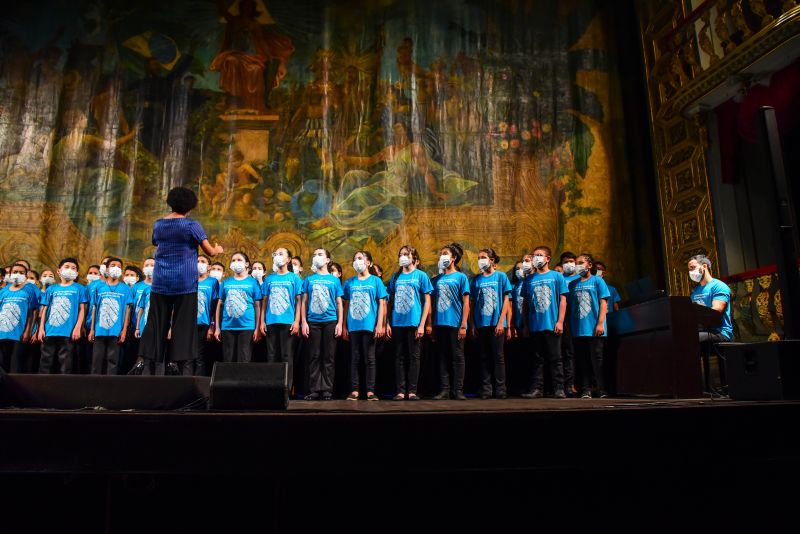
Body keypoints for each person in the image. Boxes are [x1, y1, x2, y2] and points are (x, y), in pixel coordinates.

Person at [142, 187, 223, 374]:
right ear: (190, 206)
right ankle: (177, 365)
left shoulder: (158, 224)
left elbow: (156, 242)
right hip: (184, 283)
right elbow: (209, 251)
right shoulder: (191, 225)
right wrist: (218, 249)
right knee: (183, 324)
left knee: (156, 322)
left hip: (161, 281)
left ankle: (150, 364)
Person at [387, 245, 432, 401]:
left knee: (414, 357)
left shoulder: (421, 275)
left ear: (414, 257)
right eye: (401, 254)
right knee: (399, 357)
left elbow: (427, 301)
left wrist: (422, 324)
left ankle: (412, 391)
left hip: (414, 322)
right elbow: (389, 301)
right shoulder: (395, 277)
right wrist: (387, 322)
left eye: (406, 254)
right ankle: (400, 391)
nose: (403, 257)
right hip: (397, 323)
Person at [523, 246, 568, 399]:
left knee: (555, 358)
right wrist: (526, 325)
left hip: (552, 324)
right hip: (535, 326)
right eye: (534, 255)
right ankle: (537, 389)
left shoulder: (557, 276)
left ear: (548, 258)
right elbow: (526, 304)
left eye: (540, 255)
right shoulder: (528, 279)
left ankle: (559, 389)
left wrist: (560, 321)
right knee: (537, 359)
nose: (536, 258)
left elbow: (563, 299)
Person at [342, 251, 387, 401]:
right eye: (355, 259)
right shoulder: (349, 282)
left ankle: (370, 391)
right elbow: (346, 304)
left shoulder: (376, 281)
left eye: (360, 258)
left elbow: (381, 303)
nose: (357, 261)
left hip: (370, 325)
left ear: (368, 263)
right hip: (353, 325)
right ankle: (354, 390)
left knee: (370, 358)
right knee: (354, 358)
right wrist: (344, 326)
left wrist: (380, 324)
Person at [300, 248, 343, 400]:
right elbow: (304, 302)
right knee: (314, 355)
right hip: (313, 322)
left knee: (328, 357)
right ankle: (314, 389)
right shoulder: (308, 279)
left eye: (320, 254)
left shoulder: (334, 280)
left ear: (327, 260)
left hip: (330, 321)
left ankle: (326, 390)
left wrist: (339, 323)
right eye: (314, 254)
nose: (316, 257)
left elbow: (339, 303)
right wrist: (304, 322)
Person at [469, 248, 512, 399]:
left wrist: (501, 322)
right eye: (479, 257)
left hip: (497, 323)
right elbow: (472, 303)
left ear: (492, 260)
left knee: (498, 356)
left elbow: (507, 299)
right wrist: (473, 324)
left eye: (483, 257)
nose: (481, 260)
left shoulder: (501, 277)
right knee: (484, 356)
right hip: (481, 323)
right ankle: (487, 389)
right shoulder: (476, 280)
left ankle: (501, 388)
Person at [259, 247, 303, 391]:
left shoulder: (295, 278)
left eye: (281, 254)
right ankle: (272, 386)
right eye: (275, 254)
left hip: (288, 322)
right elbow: (264, 302)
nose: (277, 256)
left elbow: (299, 301)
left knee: (286, 355)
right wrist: (262, 321)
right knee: (272, 355)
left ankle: (287, 387)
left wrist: (297, 321)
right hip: (271, 322)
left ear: (288, 259)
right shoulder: (269, 279)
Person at [688, 254, 733, 392]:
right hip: (702, 331)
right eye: (689, 269)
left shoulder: (718, 286)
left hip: (720, 332)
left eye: (693, 268)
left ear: (704, 266)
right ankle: (695, 386)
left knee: (692, 339)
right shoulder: (696, 291)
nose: (691, 272)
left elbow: (717, 310)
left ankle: (709, 386)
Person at [431, 243, 470, 400]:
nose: (442, 256)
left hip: (455, 323)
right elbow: (432, 302)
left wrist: (463, 324)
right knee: (443, 357)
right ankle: (445, 390)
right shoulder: (437, 279)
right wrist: (431, 325)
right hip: (440, 323)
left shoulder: (461, 277)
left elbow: (466, 302)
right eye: (441, 254)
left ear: (453, 258)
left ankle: (458, 390)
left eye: (445, 253)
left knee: (457, 357)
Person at [568, 253, 610, 398]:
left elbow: (603, 303)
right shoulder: (573, 284)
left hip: (594, 329)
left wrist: (600, 323)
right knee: (582, 360)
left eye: (581, 263)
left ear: (589, 265)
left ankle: (601, 388)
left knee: (597, 359)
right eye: (576, 263)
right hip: (579, 329)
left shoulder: (598, 281)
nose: (577, 266)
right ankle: (585, 389)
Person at [37, 258, 87, 374]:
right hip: (49, 331)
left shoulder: (79, 288)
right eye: (67, 267)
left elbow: (81, 310)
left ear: (77, 273)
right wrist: (41, 329)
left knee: (65, 364)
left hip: (68, 332)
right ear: (59, 271)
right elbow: (45, 309)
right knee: (46, 363)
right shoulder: (51, 289)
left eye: (73, 268)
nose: (70, 270)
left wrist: (78, 328)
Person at [215, 252, 262, 363]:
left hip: (247, 327)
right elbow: (219, 304)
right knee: (228, 360)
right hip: (227, 327)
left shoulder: (253, 282)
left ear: (247, 264)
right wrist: (217, 327)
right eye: (233, 260)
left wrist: (257, 327)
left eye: (239, 260)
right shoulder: (226, 283)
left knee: (244, 360)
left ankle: (243, 381)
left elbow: (257, 306)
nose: (236, 262)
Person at [89, 257, 132, 375]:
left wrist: (124, 330)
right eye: (113, 265)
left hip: (116, 331)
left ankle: (110, 387)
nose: (116, 268)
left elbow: (127, 310)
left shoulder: (126, 289)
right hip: (99, 330)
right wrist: (92, 329)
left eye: (119, 266)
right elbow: (94, 308)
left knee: (113, 361)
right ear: (107, 269)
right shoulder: (99, 287)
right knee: (96, 361)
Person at [0, 263, 39, 372]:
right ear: (10, 274)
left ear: (26, 276)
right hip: (2, 334)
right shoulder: (3, 291)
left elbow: (32, 313)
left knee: (15, 365)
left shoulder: (29, 291)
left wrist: (28, 331)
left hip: (18, 334)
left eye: (21, 273)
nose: (18, 274)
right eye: (15, 272)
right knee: (2, 364)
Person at [559, 250, 579, 396]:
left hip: (579, 321)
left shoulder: (580, 278)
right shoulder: (559, 278)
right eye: (565, 262)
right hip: (563, 322)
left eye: (571, 261)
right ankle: (566, 385)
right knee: (565, 354)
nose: (568, 264)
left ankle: (577, 385)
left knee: (577, 354)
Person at [195, 255, 219, 376]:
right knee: (188, 356)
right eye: (197, 261)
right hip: (188, 324)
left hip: (204, 324)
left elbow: (215, 306)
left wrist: (212, 326)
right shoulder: (190, 280)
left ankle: (199, 385)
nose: (199, 263)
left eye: (203, 261)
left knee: (200, 356)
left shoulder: (213, 282)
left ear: (209, 267)